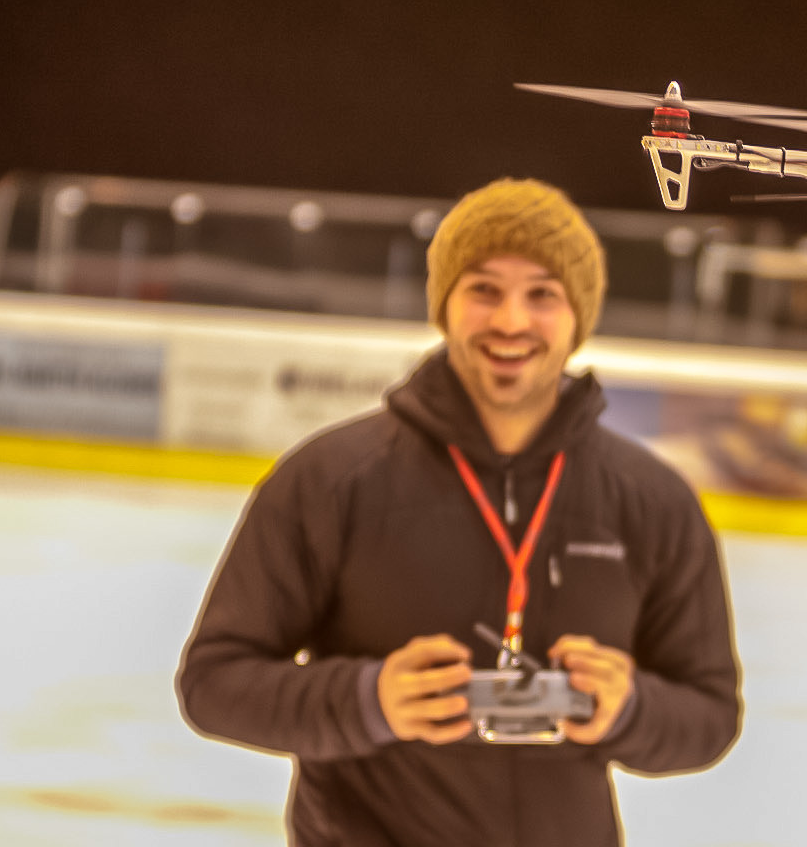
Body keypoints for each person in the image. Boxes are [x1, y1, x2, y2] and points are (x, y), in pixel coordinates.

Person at [177, 178, 742, 846]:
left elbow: (710, 714)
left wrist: (632, 709)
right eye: (483, 290)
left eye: (543, 294)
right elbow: (213, 683)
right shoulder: (331, 481)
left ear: (579, 317)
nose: (511, 322)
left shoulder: (653, 500)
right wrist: (368, 699)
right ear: (444, 306)